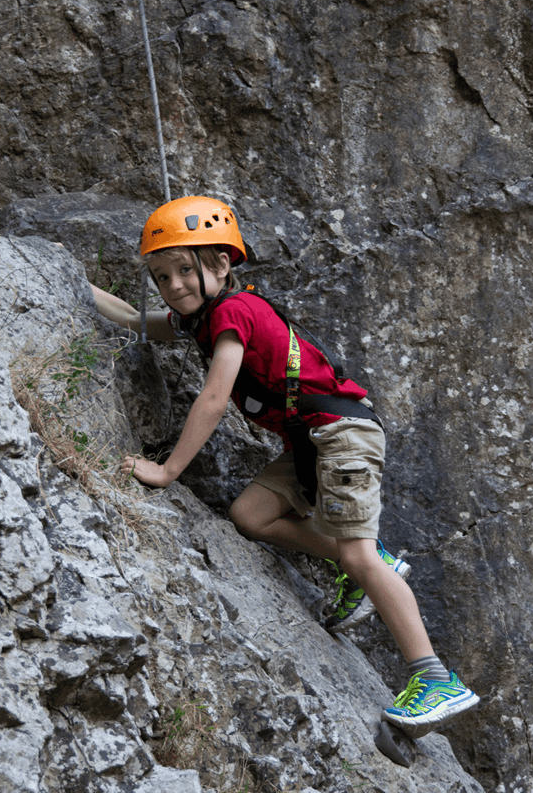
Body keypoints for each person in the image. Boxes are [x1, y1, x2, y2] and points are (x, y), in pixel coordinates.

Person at [90, 195, 479, 738]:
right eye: (160, 276)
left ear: (222, 264)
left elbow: (213, 397)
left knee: (358, 553)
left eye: (184, 268)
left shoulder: (233, 314)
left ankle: (434, 677)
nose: (173, 284)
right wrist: (69, 282)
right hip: (309, 443)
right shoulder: (204, 316)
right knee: (251, 514)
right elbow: (137, 321)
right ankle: (372, 565)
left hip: (341, 435)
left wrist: (167, 471)